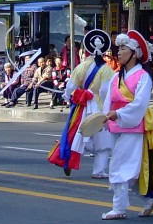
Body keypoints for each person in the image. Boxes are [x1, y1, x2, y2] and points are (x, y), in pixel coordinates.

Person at [99, 30, 153, 219]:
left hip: (133, 126)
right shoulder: (117, 76)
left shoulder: (143, 77)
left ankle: (119, 208)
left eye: (123, 48)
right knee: (132, 165)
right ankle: (150, 199)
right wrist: (105, 118)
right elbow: (108, 99)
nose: (119, 52)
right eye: (119, 48)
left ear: (134, 53)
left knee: (120, 165)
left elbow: (139, 104)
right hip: (117, 123)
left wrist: (119, 114)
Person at [48, 29, 115, 177]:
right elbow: (105, 92)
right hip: (98, 107)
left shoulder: (82, 66)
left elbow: (70, 86)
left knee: (79, 135)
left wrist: (67, 97)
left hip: (81, 106)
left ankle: (69, 156)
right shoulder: (106, 70)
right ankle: (98, 170)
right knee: (103, 141)